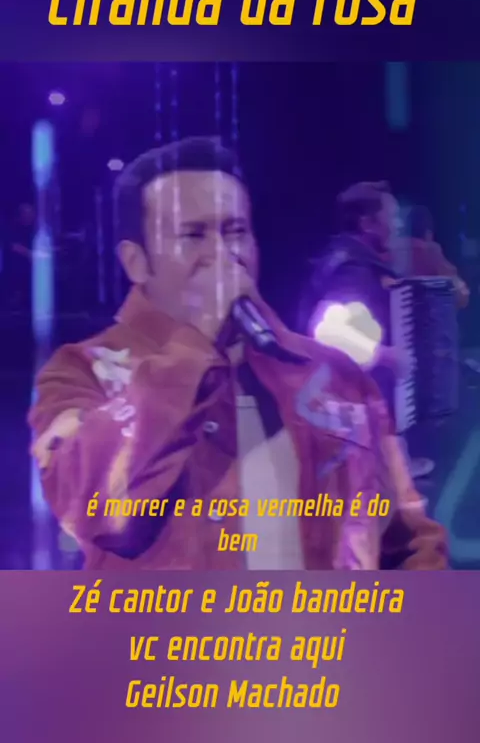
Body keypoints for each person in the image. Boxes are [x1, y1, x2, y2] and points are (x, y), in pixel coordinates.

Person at [28, 139, 446, 571]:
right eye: (194, 235)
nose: (223, 254)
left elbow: (411, 538)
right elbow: (86, 501)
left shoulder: (335, 376)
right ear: (136, 262)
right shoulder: (81, 373)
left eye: (235, 231)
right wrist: (195, 344)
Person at [301, 181, 434, 481]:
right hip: (333, 396)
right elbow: (326, 331)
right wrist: (384, 355)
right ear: (368, 224)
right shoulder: (352, 269)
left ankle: (391, 462)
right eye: (392, 217)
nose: (398, 225)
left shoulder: (349, 257)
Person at [396, 205, 470, 308]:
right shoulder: (429, 250)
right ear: (428, 232)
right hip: (424, 312)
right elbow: (461, 294)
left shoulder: (391, 249)